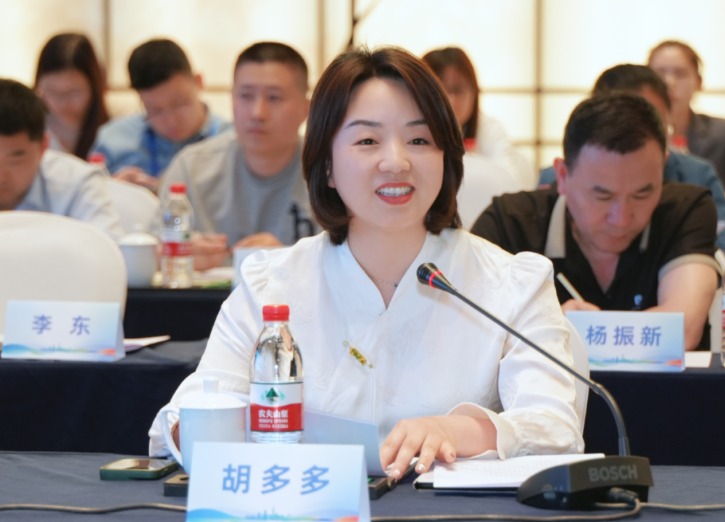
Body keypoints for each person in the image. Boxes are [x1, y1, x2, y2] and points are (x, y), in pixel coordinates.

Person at [149, 46, 583, 476]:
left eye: (419, 140)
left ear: (446, 157)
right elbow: (180, 419)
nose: (396, 161)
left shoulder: (512, 284)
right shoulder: (272, 283)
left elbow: (555, 428)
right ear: (327, 166)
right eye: (367, 141)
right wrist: (212, 429)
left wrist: (457, 430)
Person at [472, 94, 720, 351]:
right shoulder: (509, 222)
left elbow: (682, 331)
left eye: (641, 195)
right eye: (603, 196)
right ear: (562, 175)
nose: (621, 219)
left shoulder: (685, 210)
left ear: (663, 168)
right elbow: (469, 329)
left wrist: (571, 331)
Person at [538, 63, 725, 258]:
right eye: (602, 195)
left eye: (650, 120)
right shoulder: (556, 178)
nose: (621, 219)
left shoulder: (696, 175)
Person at [156, 42, 316, 269]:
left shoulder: (332, 172)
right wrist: (174, 255)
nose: (257, 113)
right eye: (246, 96)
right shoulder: (191, 168)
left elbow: (352, 260)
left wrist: (290, 259)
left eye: (274, 98)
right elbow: (151, 250)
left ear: (306, 109)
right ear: (231, 99)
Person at [647, 40, 725, 213]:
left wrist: (706, 201)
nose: (669, 82)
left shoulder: (722, 131)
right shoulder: (633, 132)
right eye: (659, 73)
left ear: (698, 82)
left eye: (680, 73)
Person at [91, 38, 231, 192]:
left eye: (180, 104)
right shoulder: (114, 139)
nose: (171, 121)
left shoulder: (232, 140)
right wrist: (112, 190)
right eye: (155, 110)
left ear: (198, 82)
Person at [0, 78, 123, 239]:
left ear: (43, 146)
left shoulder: (76, 184)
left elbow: (107, 245)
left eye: (15, 158)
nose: (1, 176)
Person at [422, 46, 535, 189]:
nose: (451, 101)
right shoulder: (411, 131)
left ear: (474, 92)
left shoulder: (489, 129)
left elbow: (510, 183)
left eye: (458, 90)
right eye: (440, 91)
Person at [34, 33, 109, 161]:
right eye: (52, 92)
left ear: (95, 86)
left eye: (74, 93)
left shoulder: (114, 131)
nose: (64, 103)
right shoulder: (28, 131)